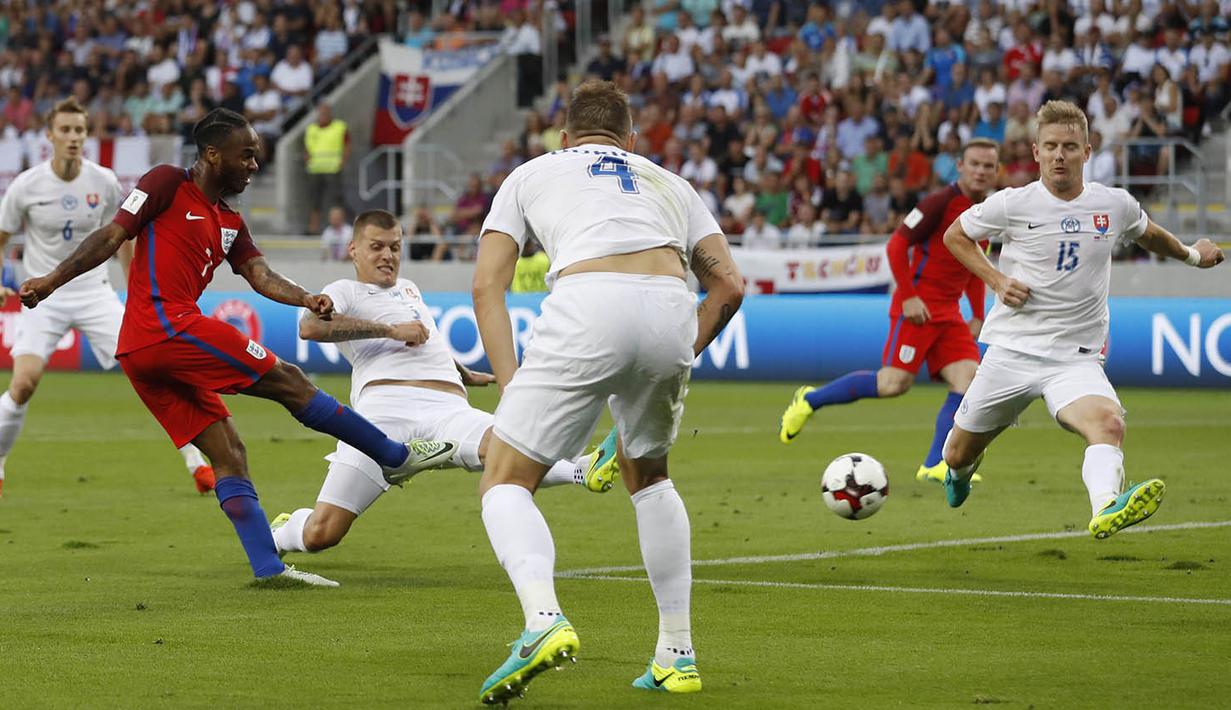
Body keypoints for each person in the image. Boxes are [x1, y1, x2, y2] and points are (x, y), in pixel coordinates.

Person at [18, 109, 457, 585]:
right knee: (289, 380)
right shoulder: (166, 182)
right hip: (166, 327)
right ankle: (394, 456)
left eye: (256, 156)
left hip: (144, 354)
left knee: (228, 451)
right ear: (212, 154)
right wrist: (50, 281)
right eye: (246, 155)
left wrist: (305, 297)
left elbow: (259, 274)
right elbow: (112, 235)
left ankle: (269, 570)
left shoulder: (229, 219)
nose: (253, 165)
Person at [470, 80, 744, 703]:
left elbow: (489, 285)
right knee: (648, 475)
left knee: (504, 478)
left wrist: (513, 387)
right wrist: (673, 353)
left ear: (564, 137)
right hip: (670, 307)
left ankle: (542, 621)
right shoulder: (669, 182)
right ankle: (678, 654)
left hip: (588, 301)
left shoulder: (531, 172)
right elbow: (728, 286)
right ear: (630, 139)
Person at [940, 100, 1224, 538]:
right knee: (957, 454)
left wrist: (1191, 255)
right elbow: (955, 235)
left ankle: (1107, 507)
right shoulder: (1011, 204)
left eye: (1070, 146)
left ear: (1087, 151)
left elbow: (1147, 233)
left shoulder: (1113, 205)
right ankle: (957, 476)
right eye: (1050, 146)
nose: (1059, 155)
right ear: (1035, 152)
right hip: (1011, 352)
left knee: (1108, 424)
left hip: (1074, 358)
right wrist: (996, 280)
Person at [271, 211, 615, 557]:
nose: (387, 256)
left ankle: (581, 470)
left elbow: (427, 340)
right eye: (376, 247)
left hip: (447, 409)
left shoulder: (409, 289)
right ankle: (280, 534)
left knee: (506, 445)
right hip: (384, 414)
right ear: (354, 250)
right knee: (323, 533)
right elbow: (310, 328)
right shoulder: (344, 290)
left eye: (395, 247)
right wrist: (390, 331)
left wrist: (464, 372)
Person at [0, 98, 214, 498]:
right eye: (65, 130)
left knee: (156, 370)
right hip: (42, 297)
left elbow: (120, 238)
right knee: (24, 384)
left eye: (79, 130)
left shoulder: (103, 181)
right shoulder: (26, 186)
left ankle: (199, 465)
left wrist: (136, 287)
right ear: (49, 136)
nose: (73, 138)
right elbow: (1, 237)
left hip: (93, 293)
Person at [779, 138, 1001, 483]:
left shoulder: (987, 212)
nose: (981, 171)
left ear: (996, 170)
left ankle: (934, 464)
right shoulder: (938, 203)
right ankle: (810, 399)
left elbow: (974, 263)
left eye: (988, 166)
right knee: (893, 383)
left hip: (949, 315)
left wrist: (976, 314)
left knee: (968, 379)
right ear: (960, 166)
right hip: (916, 310)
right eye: (975, 164)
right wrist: (909, 296)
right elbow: (897, 244)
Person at [304, 103, 349, 234]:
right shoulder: (311, 129)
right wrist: (307, 159)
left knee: (335, 200)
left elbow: (347, 145)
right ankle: (313, 228)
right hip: (315, 168)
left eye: (326, 112)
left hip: (333, 168)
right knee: (314, 200)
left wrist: (343, 162)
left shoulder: (339, 127)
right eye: (321, 112)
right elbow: (307, 147)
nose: (323, 115)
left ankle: (337, 228)